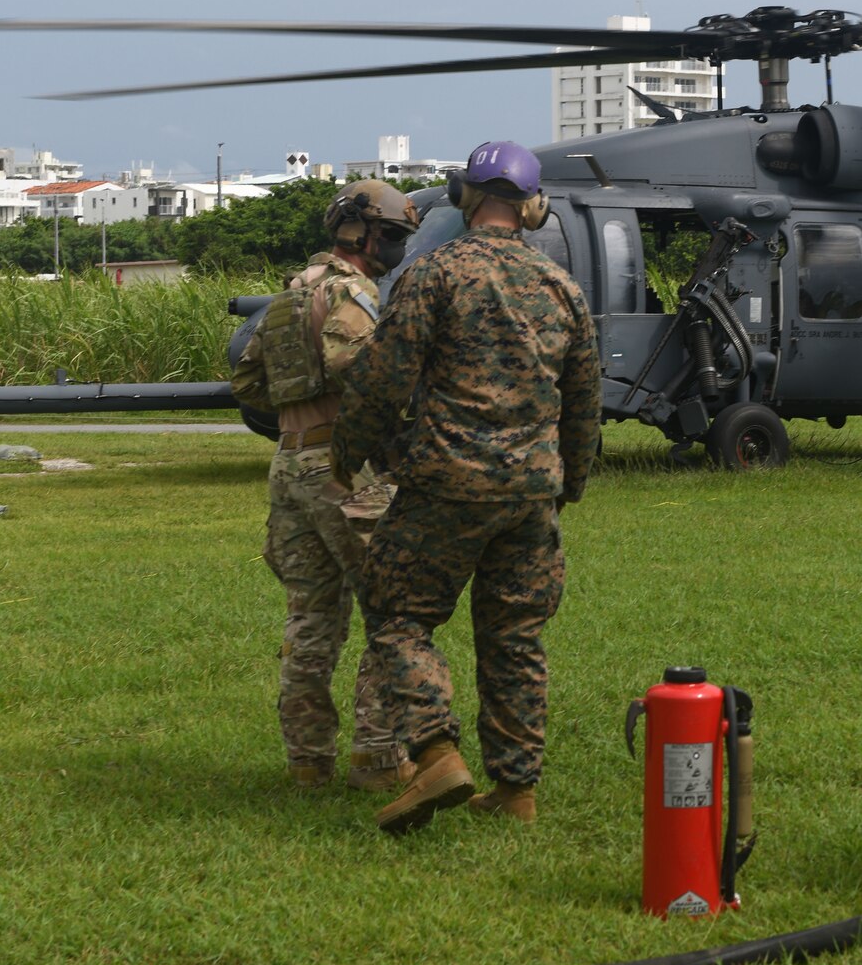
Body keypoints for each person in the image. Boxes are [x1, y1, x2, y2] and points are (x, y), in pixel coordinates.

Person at [331, 141, 603, 835]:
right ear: (533, 208)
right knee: (515, 637)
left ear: (463, 199)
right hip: (530, 495)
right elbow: (584, 404)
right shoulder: (561, 289)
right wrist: (568, 481)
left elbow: (384, 377)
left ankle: (436, 752)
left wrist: (350, 449)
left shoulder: (436, 273)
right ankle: (516, 791)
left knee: (397, 614)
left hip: (446, 484)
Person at [229, 178, 420, 792]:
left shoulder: (287, 297)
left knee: (310, 622)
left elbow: (250, 384)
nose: (397, 247)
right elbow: (359, 366)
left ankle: (309, 762)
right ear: (369, 236)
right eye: (394, 236)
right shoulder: (353, 292)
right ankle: (380, 755)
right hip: (342, 470)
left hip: (288, 466)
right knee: (395, 609)